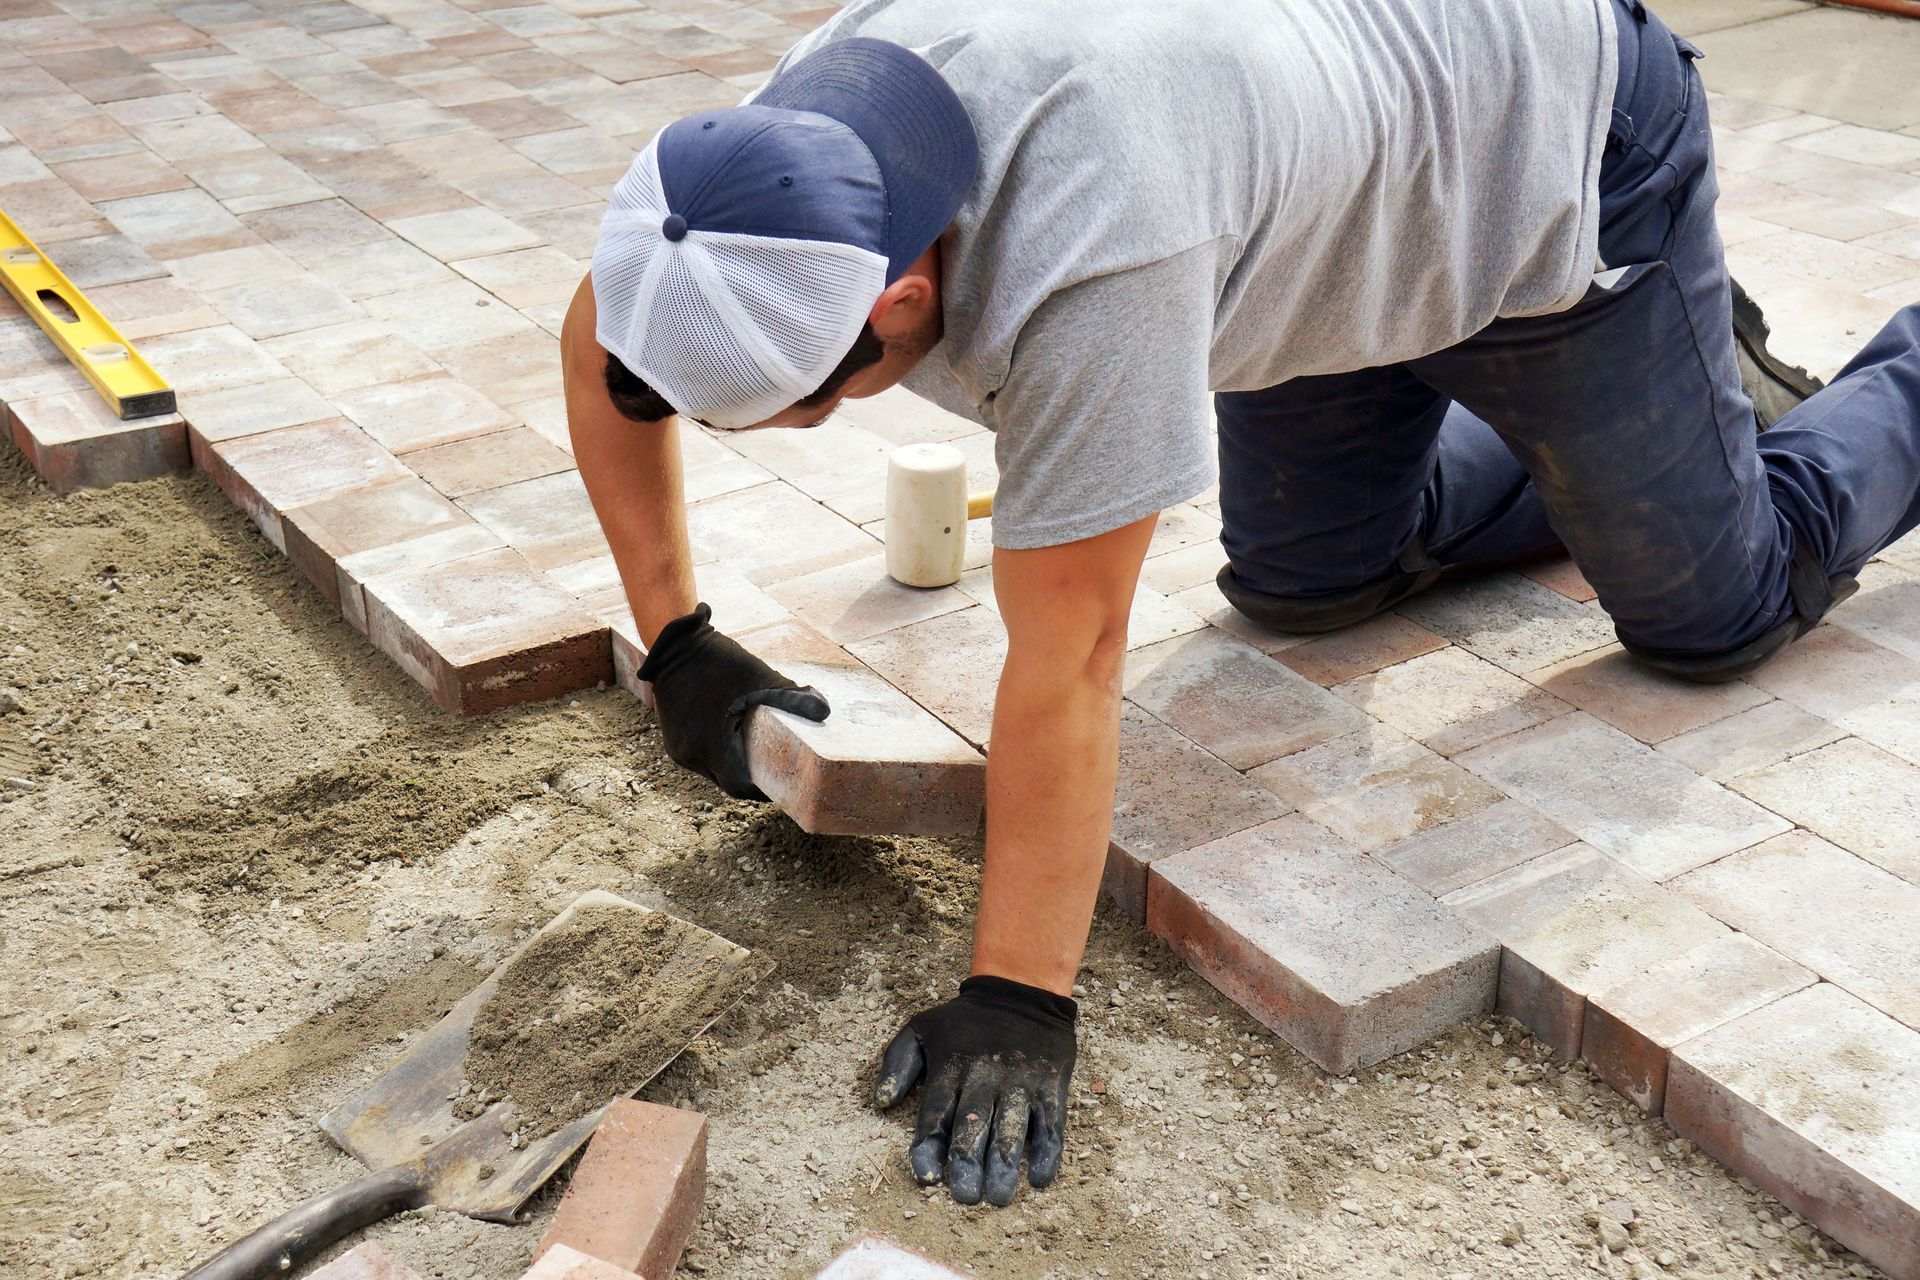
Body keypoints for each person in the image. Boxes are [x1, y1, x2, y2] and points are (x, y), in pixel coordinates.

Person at [561, 0, 1920, 1207]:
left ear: (900, 295)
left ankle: (1708, 389)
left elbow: (1072, 655)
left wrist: (1019, 992)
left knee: (1716, 611)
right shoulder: (768, 175)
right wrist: (680, 641)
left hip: (1555, 151)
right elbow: (601, 338)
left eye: (810, 400)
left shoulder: (1091, 260)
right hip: (1336, 206)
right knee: (1305, 586)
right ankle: (1656, 419)